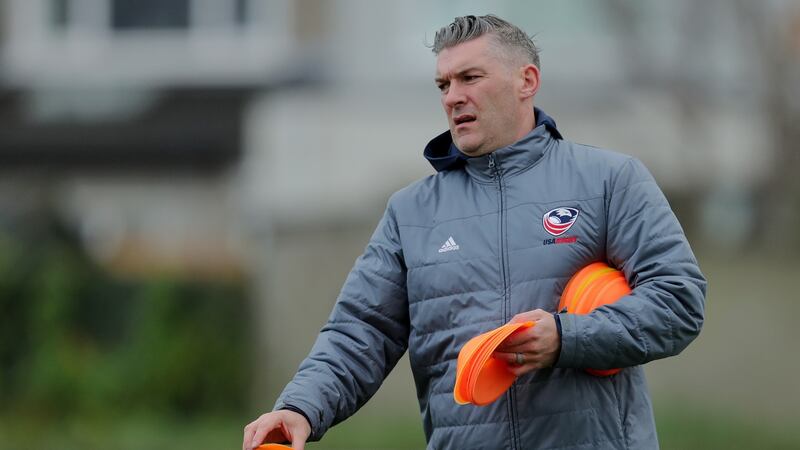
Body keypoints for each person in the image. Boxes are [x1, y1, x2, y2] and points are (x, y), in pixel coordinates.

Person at [243, 14, 706, 450]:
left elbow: (679, 300)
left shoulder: (609, 180)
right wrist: (300, 407)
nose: (452, 97)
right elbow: (360, 331)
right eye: (444, 84)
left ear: (527, 81)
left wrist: (567, 337)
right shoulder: (411, 213)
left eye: (470, 78)